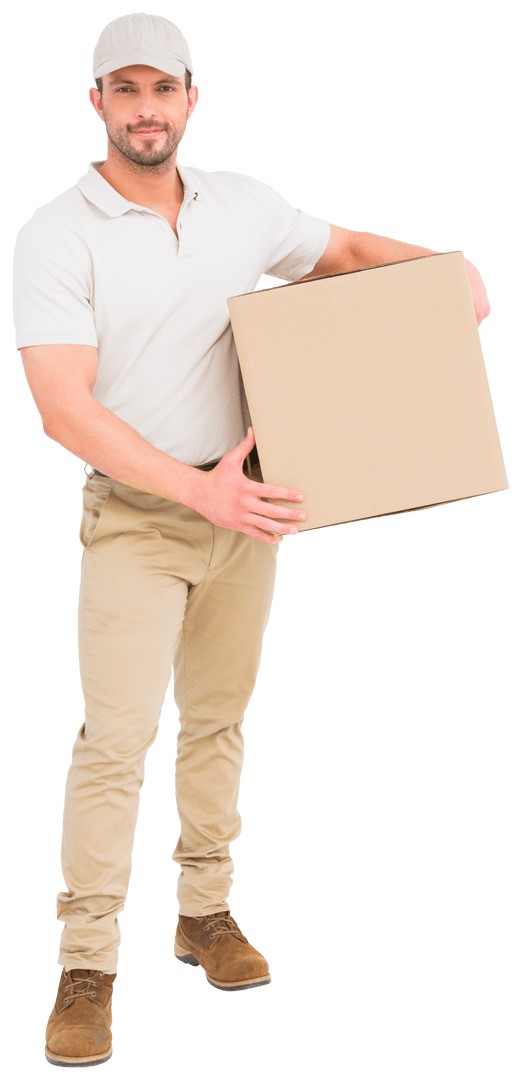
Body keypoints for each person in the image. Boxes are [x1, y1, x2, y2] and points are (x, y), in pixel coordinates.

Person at [11, 11, 491, 1071]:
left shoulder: (242, 206)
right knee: (117, 738)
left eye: (163, 88)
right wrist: (196, 492)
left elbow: (347, 253)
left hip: (252, 513)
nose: (146, 108)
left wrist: (444, 271)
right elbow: (59, 408)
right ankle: (86, 962)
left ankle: (205, 914)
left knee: (218, 722)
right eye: (124, 89)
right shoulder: (57, 233)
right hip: (138, 522)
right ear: (97, 102)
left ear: (192, 97)